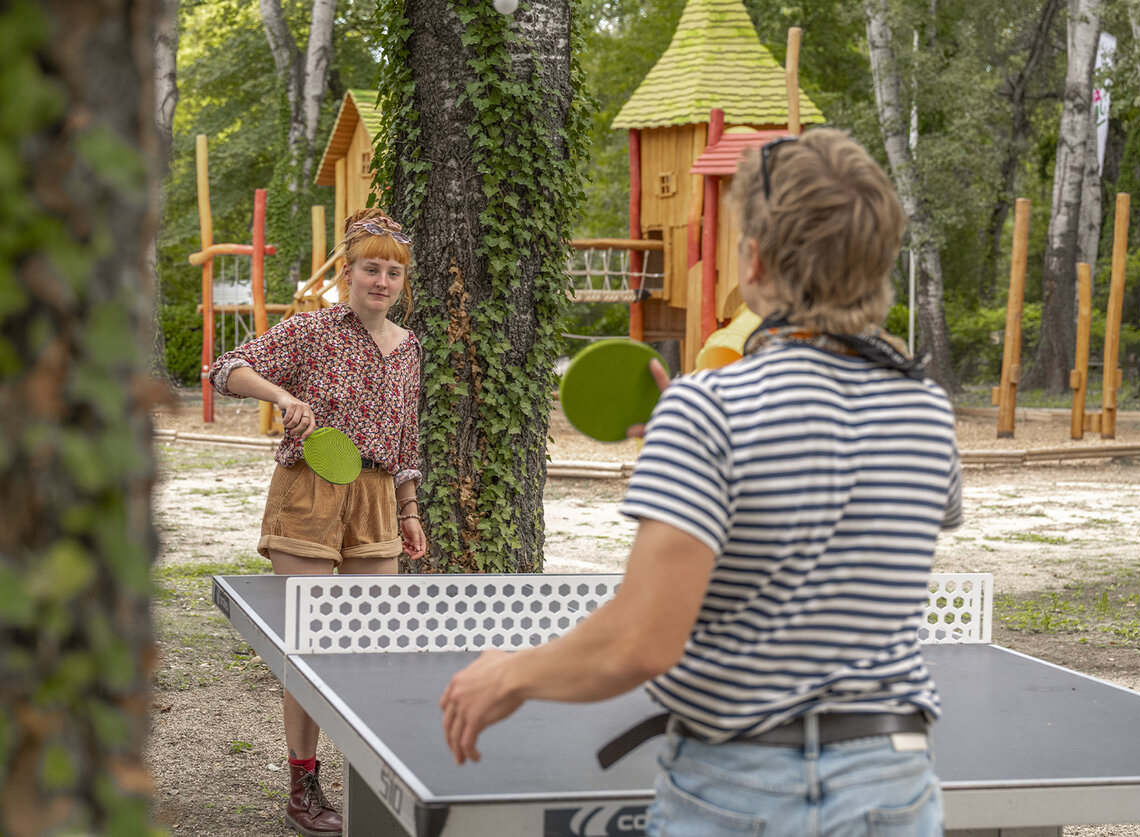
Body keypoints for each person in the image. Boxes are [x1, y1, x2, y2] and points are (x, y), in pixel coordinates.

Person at [439, 128, 962, 836]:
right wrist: (695, 458)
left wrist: (509, 673)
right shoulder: (926, 408)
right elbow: (836, 518)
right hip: (894, 786)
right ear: (877, 266)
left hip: (744, 791)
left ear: (753, 260)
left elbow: (642, 643)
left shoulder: (708, 410)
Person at [210, 207, 426, 837]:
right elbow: (229, 368)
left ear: (400, 281)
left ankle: (371, 779)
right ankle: (303, 784)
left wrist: (409, 511)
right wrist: (282, 397)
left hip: (379, 499)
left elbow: (407, 440)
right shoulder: (310, 332)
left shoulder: (410, 348)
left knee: (371, 646)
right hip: (309, 491)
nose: (381, 281)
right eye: (369, 268)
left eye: (392, 271)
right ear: (348, 273)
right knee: (307, 647)